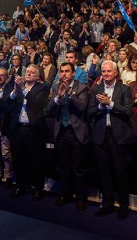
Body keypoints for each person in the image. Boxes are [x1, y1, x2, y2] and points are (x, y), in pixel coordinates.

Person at [87, 60, 135, 219]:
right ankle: (107, 204)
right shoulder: (96, 89)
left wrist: (110, 103)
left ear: (116, 73)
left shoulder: (125, 89)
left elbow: (128, 112)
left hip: (119, 137)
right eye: (103, 71)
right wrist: (101, 107)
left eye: (109, 71)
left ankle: (123, 205)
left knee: (120, 172)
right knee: (104, 172)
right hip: (101, 136)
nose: (106, 73)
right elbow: (89, 112)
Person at [46, 62, 90, 211]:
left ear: (73, 73)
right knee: (63, 166)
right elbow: (48, 110)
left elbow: (82, 107)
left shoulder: (82, 87)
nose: (64, 74)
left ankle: (80, 197)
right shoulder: (55, 87)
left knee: (79, 168)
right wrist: (58, 97)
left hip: (76, 132)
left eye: (67, 71)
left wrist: (70, 94)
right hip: (61, 131)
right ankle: (64, 195)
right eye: (62, 71)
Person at [8, 64, 49, 200]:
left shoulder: (42, 88)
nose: (29, 74)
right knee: (19, 159)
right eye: (28, 72)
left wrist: (23, 89)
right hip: (19, 128)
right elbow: (9, 102)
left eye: (32, 72)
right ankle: (20, 185)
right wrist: (15, 90)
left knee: (36, 160)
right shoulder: (19, 87)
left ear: (38, 77)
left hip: (34, 129)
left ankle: (38, 188)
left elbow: (37, 103)